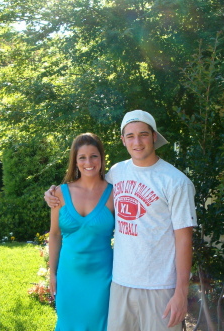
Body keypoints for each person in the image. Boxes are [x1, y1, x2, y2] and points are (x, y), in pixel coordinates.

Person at [45, 110, 197, 331]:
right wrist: (51, 193)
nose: (137, 142)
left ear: (154, 137)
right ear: (123, 140)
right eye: (131, 136)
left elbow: (184, 240)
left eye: (143, 135)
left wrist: (181, 293)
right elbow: (88, 184)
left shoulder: (176, 182)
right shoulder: (117, 173)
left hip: (159, 286)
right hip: (119, 284)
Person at [48, 133, 114, 331]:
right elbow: (54, 234)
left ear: (102, 158)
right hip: (69, 276)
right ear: (75, 162)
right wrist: (53, 273)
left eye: (94, 156)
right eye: (82, 157)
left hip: (102, 278)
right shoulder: (59, 193)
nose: (89, 162)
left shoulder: (114, 194)